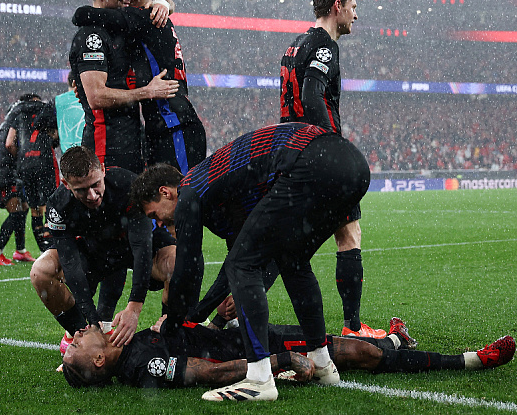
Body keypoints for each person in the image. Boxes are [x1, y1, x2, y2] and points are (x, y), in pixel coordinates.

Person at [129, 122, 371, 401]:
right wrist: (205, 318)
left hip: (311, 160)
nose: (158, 223)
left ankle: (259, 379)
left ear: (166, 192)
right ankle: (323, 365)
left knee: (246, 266)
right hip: (351, 164)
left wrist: (175, 325)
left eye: (153, 215)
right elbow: (238, 257)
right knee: (292, 260)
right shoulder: (222, 199)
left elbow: (189, 267)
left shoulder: (189, 191)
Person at [60, 317, 516, 397]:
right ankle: (472, 360)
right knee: (355, 352)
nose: (80, 334)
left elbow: (195, 345)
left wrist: (217, 324)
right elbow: (206, 371)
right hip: (256, 349)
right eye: (80, 343)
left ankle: (397, 342)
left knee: (350, 348)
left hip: (244, 333)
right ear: (101, 361)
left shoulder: (128, 341)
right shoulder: (140, 366)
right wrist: (274, 363)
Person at [279, 0, 379, 338]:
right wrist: (330, 145)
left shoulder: (295, 44)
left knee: (280, 244)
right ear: (337, 6)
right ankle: (353, 326)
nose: (356, 13)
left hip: (289, 152)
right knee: (349, 233)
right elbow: (311, 93)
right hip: (318, 156)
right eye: (353, 5)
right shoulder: (324, 47)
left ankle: (217, 317)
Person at [29, 145, 176, 355]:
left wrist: (134, 307)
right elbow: (70, 263)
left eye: (96, 184)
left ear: (104, 170)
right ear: (66, 184)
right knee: (40, 271)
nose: (91, 195)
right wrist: (91, 322)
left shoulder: (129, 185)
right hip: (94, 254)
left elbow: (141, 247)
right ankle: (83, 337)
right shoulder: (58, 206)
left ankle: (170, 335)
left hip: (131, 249)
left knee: (176, 260)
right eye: (81, 189)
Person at [73, 0, 206, 174]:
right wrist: (165, 2)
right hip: (159, 130)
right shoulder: (145, 20)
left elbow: (82, 15)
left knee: (180, 196)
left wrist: (164, 2)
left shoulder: (144, 19)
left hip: (174, 126)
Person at [0, 96, 35, 266]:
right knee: (17, 212)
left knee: (24, 207)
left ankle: (20, 251)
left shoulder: (10, 121)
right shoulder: (18, 122)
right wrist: (22, 162)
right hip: (2, 174)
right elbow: (9, 145)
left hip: (1, 172)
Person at [6, 96, 59, 253]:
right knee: (50, 204)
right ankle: (52, 249)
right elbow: (56, 134)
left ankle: (43, 250)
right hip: (44, 160)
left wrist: (22, 157)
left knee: (35, 208)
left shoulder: (18, 113)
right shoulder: (46, 109)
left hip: (26, 163)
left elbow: (9, 143)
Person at [55, 71, 86, 154]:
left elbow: (40, 122)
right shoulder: (90, 99)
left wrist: (55, 135)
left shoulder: (57, 101)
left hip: (67, 152)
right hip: (88, 150)